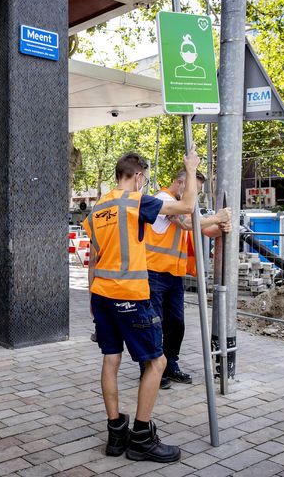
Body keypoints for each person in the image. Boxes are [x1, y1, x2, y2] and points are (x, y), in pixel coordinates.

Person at [83, 148, 199, 463]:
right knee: (157, 363)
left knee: (111, 360)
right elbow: (187, 205)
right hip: (130, 296)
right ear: (136, 176)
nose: (143, 184)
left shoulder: (99, 207)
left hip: (102, 295)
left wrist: (92, 300)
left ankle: (115, 431)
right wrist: (190, 169)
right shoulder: (136, 202)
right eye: (143, 179)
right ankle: (141, 437)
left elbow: (93, 258)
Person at [142, 169, 232, 388]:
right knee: (155, 324)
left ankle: (169, 365)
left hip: (173, 275)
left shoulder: (182, 205)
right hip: (153, 272)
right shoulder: (163, 200)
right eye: (195, 189)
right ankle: (151, 371)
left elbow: (202, 228)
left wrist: (222, 227)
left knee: (176, 324)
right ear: (181, 182)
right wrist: (217, 218)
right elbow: (188, 222)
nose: (196, 195)